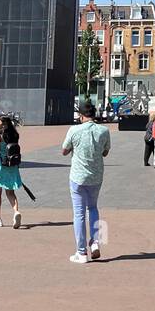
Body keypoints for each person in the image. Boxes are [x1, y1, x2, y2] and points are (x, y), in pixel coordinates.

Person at [62, 100, 111, 263]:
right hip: (96, 177)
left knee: (79, 212)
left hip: (78, 177)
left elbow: (64, 150)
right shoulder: (104, 131)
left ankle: (81, 252)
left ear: (81, 116)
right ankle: (96, 242)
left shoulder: (74, 130)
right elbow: (105, 152)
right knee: (93, 208)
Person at [0, 115, 24, 228]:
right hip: (11, 166)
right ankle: (16, 211)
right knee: (10, 192)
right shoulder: (14, 135)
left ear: (3, 124)